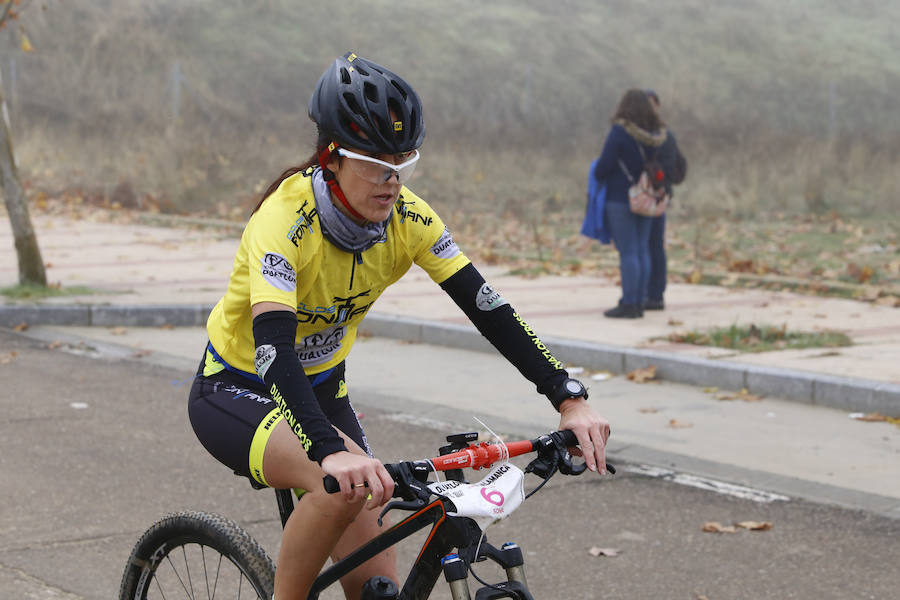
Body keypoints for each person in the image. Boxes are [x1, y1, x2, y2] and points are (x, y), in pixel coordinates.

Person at [187, 52, 611, 600]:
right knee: (340, 487)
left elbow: (488, 308)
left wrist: (568, 396)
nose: (392, 183)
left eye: (404, 165)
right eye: (376, 166)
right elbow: (272, 350)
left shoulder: (410, 219)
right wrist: (327, 450)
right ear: (331, 157)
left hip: (323, 391)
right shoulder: (282, 222)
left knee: (378, 589)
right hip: (240, 387)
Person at [591, 89, 673, 318]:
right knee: (642, 250)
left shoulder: (619, 132)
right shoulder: (657, 135)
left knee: (628, 252)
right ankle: (641, 300)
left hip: (620, 197)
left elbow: (603, 168)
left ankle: (629, 303)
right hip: (647, 197)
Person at [644, 90, 687, 311]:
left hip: (657, 196)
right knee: (645, 245)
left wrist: (661, 189)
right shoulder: (638, 133)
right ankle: (645, 292)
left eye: (651, 104)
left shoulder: (663, 135)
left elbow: (669, 167)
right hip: (643, 197)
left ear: (658, 106)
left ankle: (655, 294)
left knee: (654, 244)